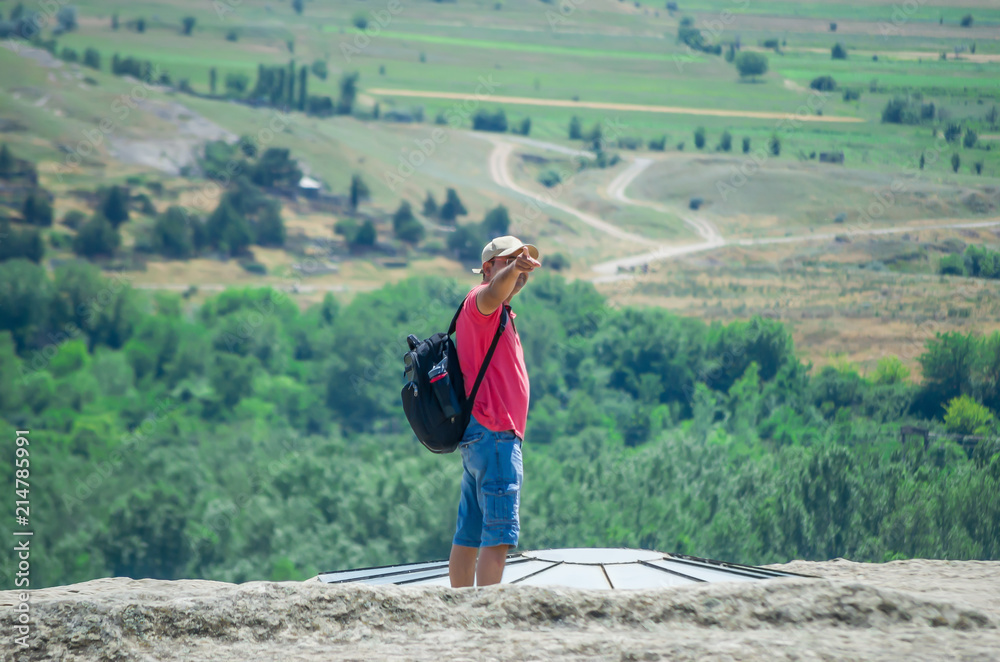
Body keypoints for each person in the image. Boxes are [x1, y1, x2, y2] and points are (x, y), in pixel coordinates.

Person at [448, 236, 541, 587]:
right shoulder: (481, 302)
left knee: (469, 533)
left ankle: (459, 611)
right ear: (487, 269)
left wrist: (516, 270)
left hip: (480, 435)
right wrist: (513, 270)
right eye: (508, 261)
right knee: (499, 535)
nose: (519, 269)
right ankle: (486, 618)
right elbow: (492, 293)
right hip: (496, 434)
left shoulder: (497, 311)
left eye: (523, 262)